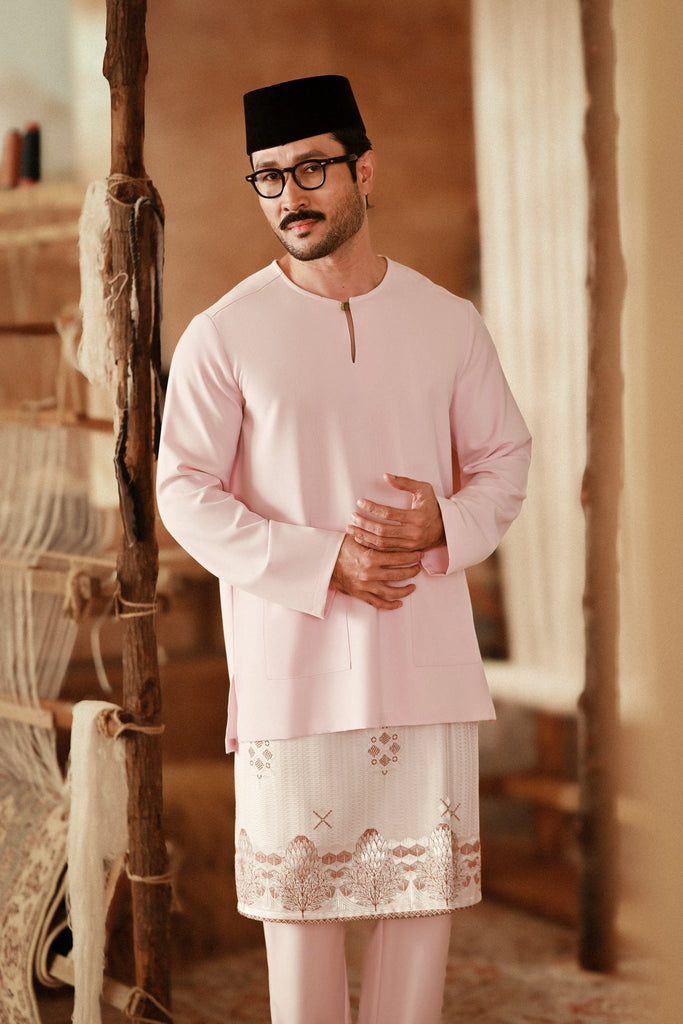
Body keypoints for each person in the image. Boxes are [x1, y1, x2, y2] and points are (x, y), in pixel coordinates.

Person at [156, 74, 531, 1024]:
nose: (289, 195)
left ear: (364, 170)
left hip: (423, 665)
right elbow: (183, 492)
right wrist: (327, 561)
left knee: (420, 916)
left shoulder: (447, 321)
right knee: (300, 924)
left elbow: (503, 459)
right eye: (268, 177)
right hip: (294, 671)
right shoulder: (222, 334)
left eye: (311, 169)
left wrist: (442, 522)